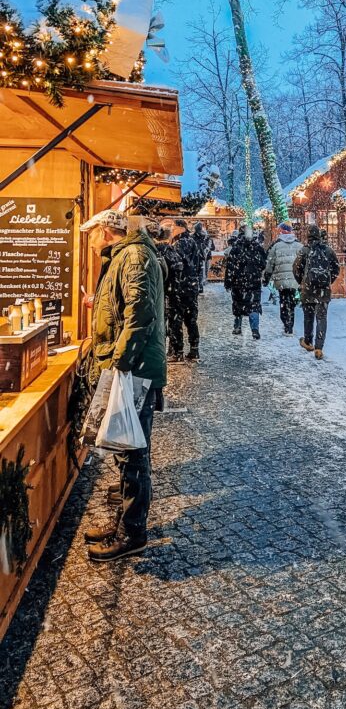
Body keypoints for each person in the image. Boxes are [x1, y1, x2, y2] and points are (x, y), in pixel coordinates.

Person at [80, 209, 166, 562]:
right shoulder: (125, 255)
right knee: (127, 449)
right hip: (132, 365)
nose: (91, 239)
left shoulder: (132, 255)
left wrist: (120, 361)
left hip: (135, 368)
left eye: (93, 232)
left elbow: (138, 314)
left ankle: (133, 533)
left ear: (105, 229)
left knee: (133, 452)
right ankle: (126, 524)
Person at [293, 224, 340, 360]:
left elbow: (296, 268)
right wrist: (327, 282)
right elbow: (336, 269)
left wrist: (302, 281)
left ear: (308, 237)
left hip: (308, 289)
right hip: (323, 291)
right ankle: (319, 347)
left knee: (308, 316)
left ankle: (308, 342)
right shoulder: (328, 251)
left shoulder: (304, 251)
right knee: (321, 317)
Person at [165, 218, 202, 362]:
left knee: (176, 320)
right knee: (191, 319)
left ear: (181, 228)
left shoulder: (179, 243)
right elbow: (198, 263)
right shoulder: (192, 242)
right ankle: (194, 349)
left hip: (179, 287)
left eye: (174, 227)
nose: (172, 230)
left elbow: (177, 264)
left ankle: (177, 352)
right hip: (191, 286)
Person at [224, 224, 266, 339]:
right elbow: (263, 264)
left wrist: (228, 282)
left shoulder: (236, 248)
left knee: (238, 303)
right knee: (254, 304)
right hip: (254, 282)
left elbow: (230, 267)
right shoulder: (257, 247)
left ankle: (237, 326)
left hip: (238, 282)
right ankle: (255, 329)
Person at [264, 222, 301, 335]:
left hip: (281, 279)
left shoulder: (276, 246)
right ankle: (290, 324)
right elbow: (303, 263)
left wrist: (267, 277)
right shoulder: (299, 246)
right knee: (291, 302)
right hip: (294, 279)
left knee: (283, 301)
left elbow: (270, 263)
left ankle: (286, 322)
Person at [192, 221, 208, 292]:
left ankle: (198, 286)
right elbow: (203, 246)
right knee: (200, 272)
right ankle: (199, 286)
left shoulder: (194, 237)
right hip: (199, 257)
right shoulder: (202, 236)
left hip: (196, 257)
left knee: (197, 272)